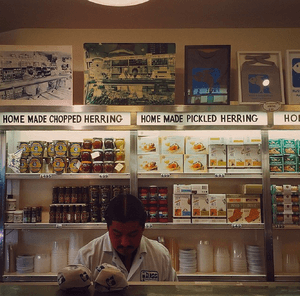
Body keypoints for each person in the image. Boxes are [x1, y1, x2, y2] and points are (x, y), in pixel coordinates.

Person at [74, 194, 178, 282]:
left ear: (143, 228)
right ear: (108, 228)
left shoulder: (160, 255)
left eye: (132, 235)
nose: (124, 243)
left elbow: (173, 292)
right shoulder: (87, 257)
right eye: (117, 234)